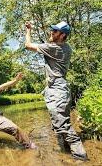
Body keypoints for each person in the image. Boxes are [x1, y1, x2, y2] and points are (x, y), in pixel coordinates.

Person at [24, 21, 88, 161]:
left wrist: (29, 30)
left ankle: (80, 157)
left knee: (62, 125)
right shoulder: (67, 48)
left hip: (57, 91)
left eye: (55, 31)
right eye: (52, 30)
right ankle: (65, 154)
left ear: (62, 35)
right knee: (59, 124)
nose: (51, 33)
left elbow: (28, 45)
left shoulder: (54, 48)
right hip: (61, 89)